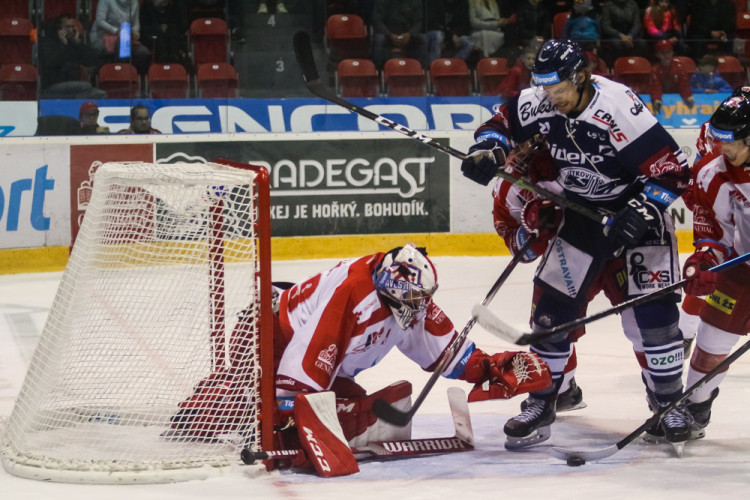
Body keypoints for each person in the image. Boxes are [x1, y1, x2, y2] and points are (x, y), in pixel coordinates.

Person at [460, 39, 691, 449]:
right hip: (581, 216)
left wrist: (641, 209)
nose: (552, 98)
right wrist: (488, 148)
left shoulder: (618, 108)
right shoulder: (542, 100)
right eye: (546, 89)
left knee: (655, 318)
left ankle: (669, 403)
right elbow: (501, 122)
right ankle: (542, 401)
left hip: (636, 217)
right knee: (550, 315)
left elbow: (673, 172)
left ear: (581, 76)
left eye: (560, 89)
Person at [171, 243, 552, 475]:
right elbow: (302, 368)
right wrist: (290, 416)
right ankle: (214, 403)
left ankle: (263, 400)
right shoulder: (353, 294)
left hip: (299, 353)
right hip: (265, 339)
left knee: (344, 407)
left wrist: (494, 368)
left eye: (424, 298)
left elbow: (445, 354)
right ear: (391, 288)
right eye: (415, 299)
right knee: (274, 417)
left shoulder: (408, 297)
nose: (421, 306)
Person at [680, 95, 750, 440]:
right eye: (720, 140)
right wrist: (706, 259)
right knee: (711, 338)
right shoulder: (714, 173)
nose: (724, 149)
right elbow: (714, 232)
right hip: (743, 266)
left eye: (732, 142)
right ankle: (695, 406)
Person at [38, 14, 106, 99]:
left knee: (101, 94)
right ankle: (77, 106)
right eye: (67, 27)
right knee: (85, 86)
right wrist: (63, 45)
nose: (71, 30)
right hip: (53, 85)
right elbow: (50, 62)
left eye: (72, 27)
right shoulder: (47, 42)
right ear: (59, 29)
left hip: (74, 86)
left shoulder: (72, 43)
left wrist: (77, 42)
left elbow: (91, 59)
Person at [90, 0, 152, 75]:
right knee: (122, 45)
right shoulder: (105, 1)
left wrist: (135, 31)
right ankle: (120, 74)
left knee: (143, 52)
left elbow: (136, 23)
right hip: (104, 35)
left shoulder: (134, 2)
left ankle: (134, 76)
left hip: (126, 36)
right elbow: (100, 21)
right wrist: (116, 31)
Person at [371, 0, 427, 68]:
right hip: (388, 35)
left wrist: (410, 34)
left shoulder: (416, 1)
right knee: (379, 39)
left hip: (409, 36)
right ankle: (379, 69)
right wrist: (389, 35)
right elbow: (377, 21)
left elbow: (419, 22)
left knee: (423, 39)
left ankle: (419, 69)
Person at [649, 40, 694, 115]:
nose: (666, 55)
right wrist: (657, 99)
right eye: (663, 53)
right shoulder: (655, 69)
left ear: (672, 53)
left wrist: (687, 96)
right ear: (658, 55)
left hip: (678, 100)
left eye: (668, 52)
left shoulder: (679, 67)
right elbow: (656, 86)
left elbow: (683, 84)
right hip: (663, 101)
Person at [139, 0, 190, 66]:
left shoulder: (174, 9)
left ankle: (174, 58)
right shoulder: (145, 10)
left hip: (173, 46)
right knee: (157, 31)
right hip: (154, 44)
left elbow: (181, 28)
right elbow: (145, 32)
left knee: (173, 29)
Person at [599, 0, 645, 68]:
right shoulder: (608, 6)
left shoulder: (633, 4)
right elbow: (606, 26)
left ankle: (635, 66)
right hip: (614, 35)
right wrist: (620, 35)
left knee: (641, 43)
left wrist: (631, 35)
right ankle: (619, 67)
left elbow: (637, 24)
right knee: (617, 44)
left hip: (630, 35)